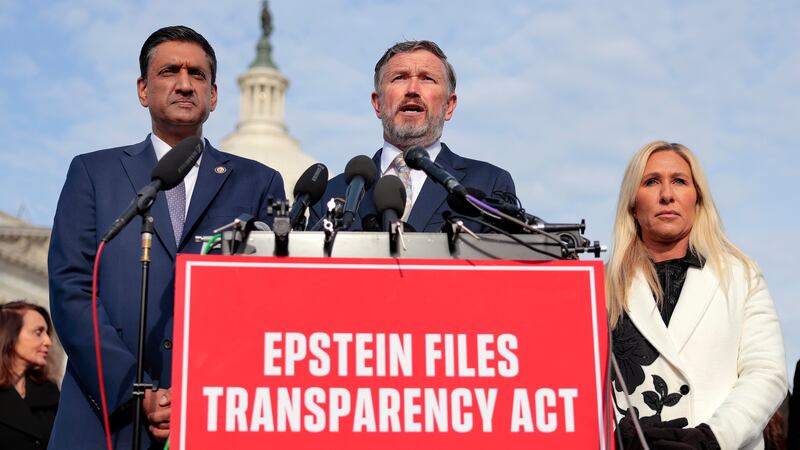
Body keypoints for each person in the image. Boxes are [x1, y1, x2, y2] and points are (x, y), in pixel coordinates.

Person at [47, 26, 285, 449]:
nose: (184, 83)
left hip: (215, 416)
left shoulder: (260, 182)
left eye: (197, 74)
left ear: (213, 96)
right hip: (106, 420)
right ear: (143, 90)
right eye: (169, 71)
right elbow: (72, 289)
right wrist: (132, 390)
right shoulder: (93, 174)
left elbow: (268, 306)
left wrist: (199, 394)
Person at [606, 141, 787, 449]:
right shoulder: (601, 286)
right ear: (633, 204)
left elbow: (766, 372)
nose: (667, 194)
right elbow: (577, 384)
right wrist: (612, 437)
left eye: (679, 181)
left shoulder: (741, 275)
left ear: (697, 199)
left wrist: (712, 439)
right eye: (651, 182)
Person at [308, 40, 515, 232]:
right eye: (400, 77)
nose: (413, 90)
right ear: (377, 103)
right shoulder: (330, 193)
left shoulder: (489, 184)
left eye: (427, 78)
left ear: (449, 106)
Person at [0, 301, 59, 449]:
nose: (48, 342)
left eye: (47, 333)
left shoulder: (49, 392)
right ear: (10, 336)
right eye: (38, 332)